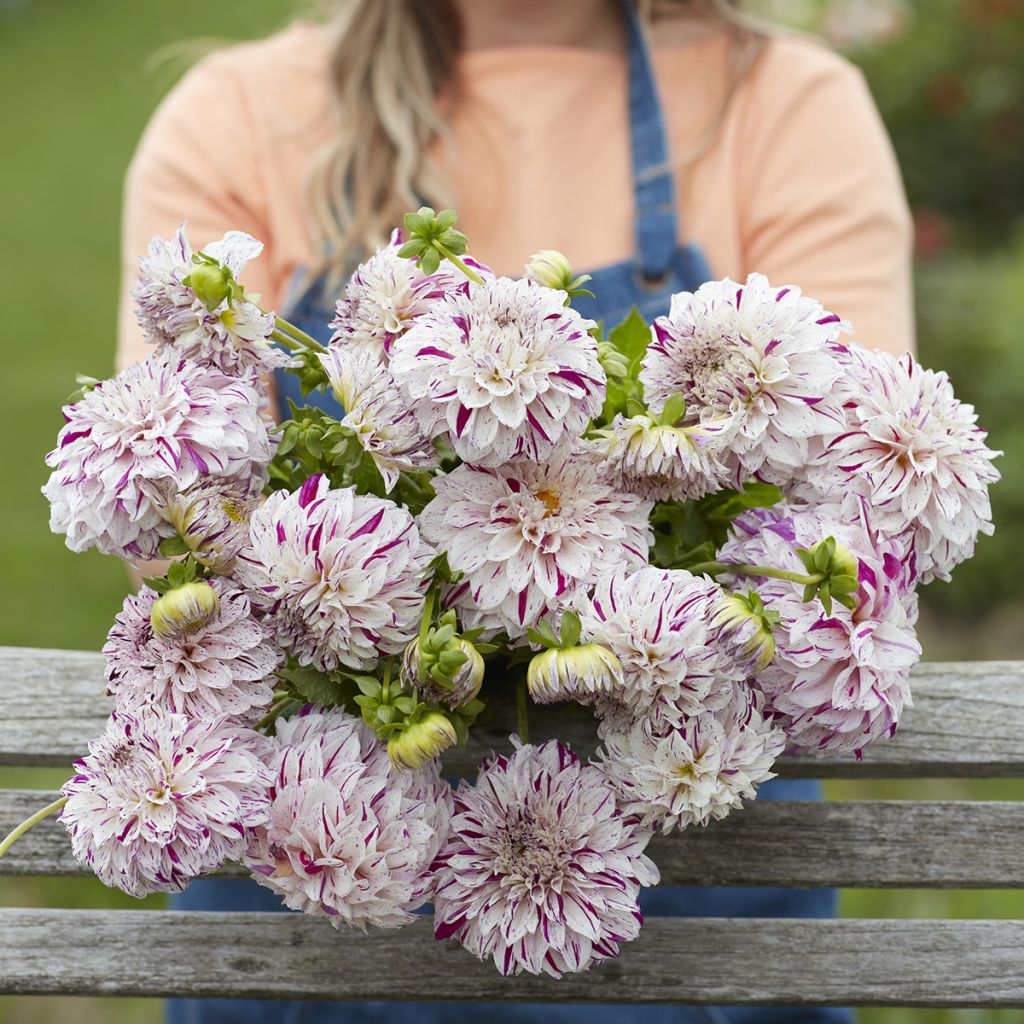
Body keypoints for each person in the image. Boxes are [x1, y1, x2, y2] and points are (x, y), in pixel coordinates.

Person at [117, 1, 913, 1021]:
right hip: (318, 910)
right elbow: (171, 517)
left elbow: (856, 492)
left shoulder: (780, 105)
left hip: (689, 899)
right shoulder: (238, 115)